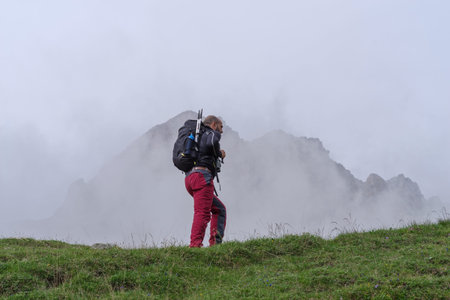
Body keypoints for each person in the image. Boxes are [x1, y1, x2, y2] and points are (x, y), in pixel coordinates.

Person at [184, 115, 227, 248]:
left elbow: (205, 149)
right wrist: (216, 137)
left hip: (191, 178)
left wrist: (218, 154)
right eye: (220, 127)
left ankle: (215, 245)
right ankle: (195, 245)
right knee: (202, 213)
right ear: (214, 124)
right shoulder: (210, 133)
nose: (221, 131)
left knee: (219, 209)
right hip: (202, 178)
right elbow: (212, 142)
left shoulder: (198, 136)